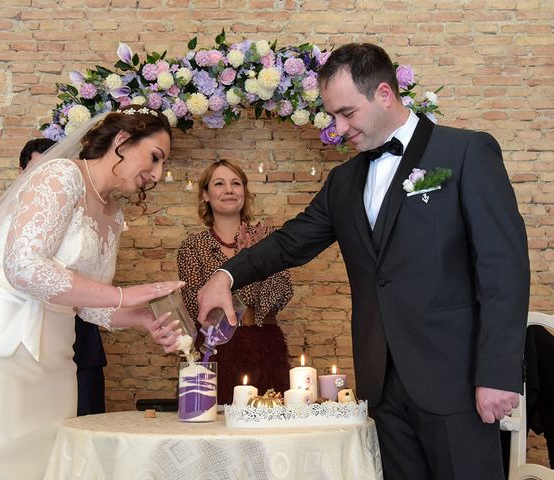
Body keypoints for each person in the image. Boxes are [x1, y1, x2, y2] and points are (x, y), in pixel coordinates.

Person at [197, 43, 530, 479]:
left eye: (347, 113)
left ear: (385, 95)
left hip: (458, 382)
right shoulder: (344, 181)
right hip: (382, 386)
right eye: (332, 115)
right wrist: (226, 272)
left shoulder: (464, 154)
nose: (337, 128)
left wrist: (499, 373)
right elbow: (289, 243)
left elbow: (503, 268)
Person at [0, 108, 184, 479]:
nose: (156, 174)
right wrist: (124, 295)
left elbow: (86, 303)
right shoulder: (60, 176)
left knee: (43, 465)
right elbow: (23, 266)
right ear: (122, 141)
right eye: (155, 157)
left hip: (56, 355)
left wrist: (143, 319)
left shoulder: (113, 214)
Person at [177, 160, 293, 404]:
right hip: (215, 350)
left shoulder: (268, 239)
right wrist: (249, 267)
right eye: (219, 183)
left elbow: (278, 296)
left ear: (244, 193)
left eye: (236, 183)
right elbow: (197, 307)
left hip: (265, 346)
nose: (229, 189)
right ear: (206, 195)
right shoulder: (192, 247)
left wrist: (250, 258)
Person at [22, 136, 108, 416]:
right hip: (23, 335)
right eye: (36, 170)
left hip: (81, 337)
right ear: (21, 174)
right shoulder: (15, 220)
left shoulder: (86, 210)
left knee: (84, 425)